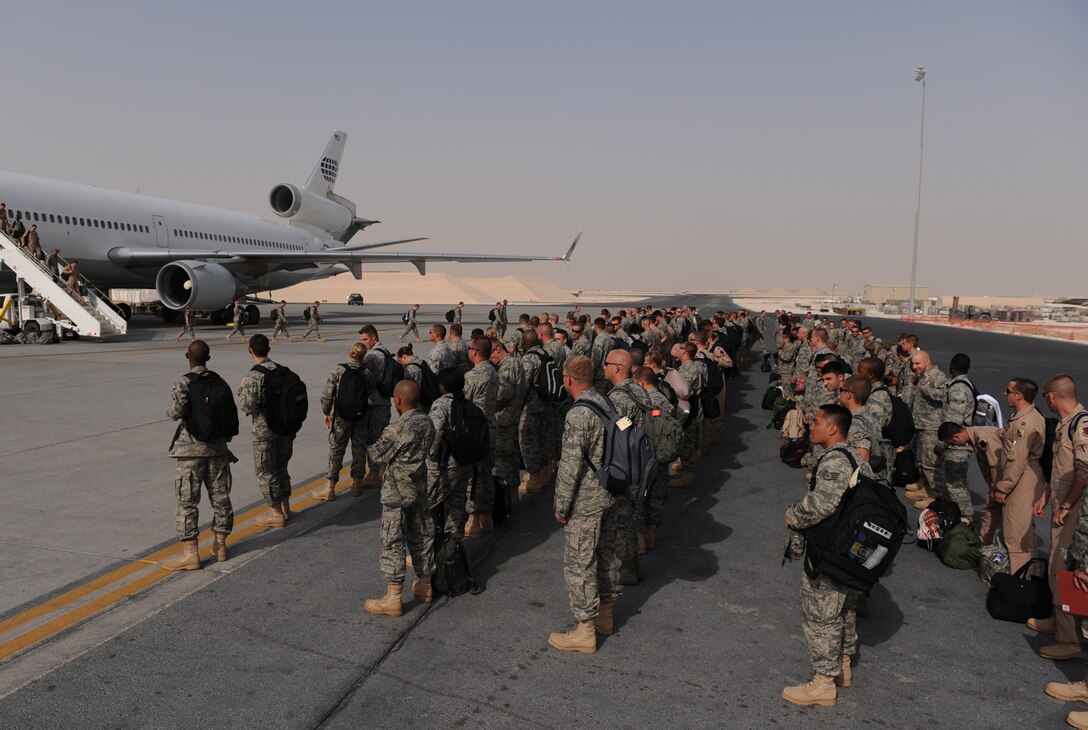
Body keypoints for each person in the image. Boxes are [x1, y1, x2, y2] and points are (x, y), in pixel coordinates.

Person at [783, 404, 873, 707]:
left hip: (831, 551)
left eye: (817, 422)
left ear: (833, 429)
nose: (811, 425)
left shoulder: (835, 461)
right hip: (850, 550)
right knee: (844, 608)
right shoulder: (855, 456)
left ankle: (823, 682)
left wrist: (793, 515)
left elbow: (821, 505)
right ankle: (842, 667)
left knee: (821, 615)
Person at [548, 356, 622, 654]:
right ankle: (606, 616)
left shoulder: (578, 414)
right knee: (605, 556)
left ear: (568, 379)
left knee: (580, 565)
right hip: (610, 492)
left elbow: (570, 466)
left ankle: (585, 630)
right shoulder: (607, 402)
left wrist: (561, 506)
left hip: (587, 501)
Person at [363, 380, 437, 617]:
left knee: (393, 542)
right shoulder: (427, 422)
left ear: (397, 400)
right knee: (422, 536)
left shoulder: (396, 430)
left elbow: (377, 455)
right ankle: (425, 585)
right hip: (419, 489)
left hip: (396, 494)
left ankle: (393, 597)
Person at [162, 340, 235, 571]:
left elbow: (175, 413)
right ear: (208, 359)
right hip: (217, 450)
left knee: (187, 503)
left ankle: (191, 553)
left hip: (190, 452)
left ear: (188, 357)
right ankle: (221, 545)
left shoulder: (184, 382)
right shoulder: (219, 381)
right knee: (220, 498)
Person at [1031, 375, 1088, 660]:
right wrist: (1046, 494)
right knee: (1056, 566)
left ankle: (1071, 640)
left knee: (1064, 570)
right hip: (1061, 507)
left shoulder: (1082, 425)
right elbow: (1062, 469)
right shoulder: (1067, 425)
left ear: (1052, 396)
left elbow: (1083, 472)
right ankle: (1058, 621)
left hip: (1073, 512)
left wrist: (1065, 505)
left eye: (1045, 397)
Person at [238, 335, 295, 529]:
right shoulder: (283, 371)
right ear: (269, 349)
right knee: (281, 467)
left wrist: (241, 390)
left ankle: (276, 513)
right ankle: (286, 507)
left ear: (250, 350)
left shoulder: (254, 376)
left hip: (265, 431)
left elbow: (248, 406)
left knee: (266, 472)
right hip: (285, 429)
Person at [991, 377, 1046, 574]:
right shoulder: (1024, 416)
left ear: (1019, 395)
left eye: (1008, 391)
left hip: (1022, 479)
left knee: (1016, 535)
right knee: (1025, 533)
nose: (1004, 394)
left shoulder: (1025, 423)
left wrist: (1002, 488)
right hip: (1027, 477)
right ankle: (1030, 576)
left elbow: (1017, 461)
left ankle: (1019, 582)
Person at [314, 342, 370, 501]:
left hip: (342, 417)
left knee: (336, 450)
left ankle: (330, 488)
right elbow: (369, 391)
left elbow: (327, 395)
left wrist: (327, 412)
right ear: (363, 356)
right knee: (359, 450)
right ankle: (356, 484)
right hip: (361, 416)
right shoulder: (367, 373)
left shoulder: (338, 370)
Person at [935, 353, 977, 522]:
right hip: (955, 442)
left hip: (956, 444)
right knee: (952, 482)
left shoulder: (959, 389)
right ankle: (954, 513)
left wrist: (942, 443)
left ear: (952, 366)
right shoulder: (964, 384)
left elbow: (953, 422)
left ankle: (966, 517)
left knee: (955, 483)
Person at [462, 336, 498, 537]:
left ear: (474, 351)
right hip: (490, 427)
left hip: (476, 430)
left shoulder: (472, 376)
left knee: (473, 476)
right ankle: (487, 516)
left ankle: (473, 519)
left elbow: (465, 401)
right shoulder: (493, 371)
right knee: (486, 473)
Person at [906, 350, 948, 508]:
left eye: (918, 363)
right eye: (913, 364)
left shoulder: (937, 376)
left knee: (931, 463)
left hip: (931, 426)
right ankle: (925, 487)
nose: (914, 366)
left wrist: (926, 389)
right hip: (920, 424)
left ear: (927, 362)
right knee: (920, 460)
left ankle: (935, 494)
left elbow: (944, 395)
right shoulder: (922, 377)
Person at [491, 337, 526, 508]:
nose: (490, 359)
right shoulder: (515, 362)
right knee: (511, 458)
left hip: (505, 418)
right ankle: (513, 495)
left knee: (503, 461)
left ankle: (506, 499)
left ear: (498, 349)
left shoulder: (508, 366)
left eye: (491, 354)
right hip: (512, 416)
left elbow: (503, 392)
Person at [358, 325, 393, 486]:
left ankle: (373, 473)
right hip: (384, 402)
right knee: (382, 437)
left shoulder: (372, 356)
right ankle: (382, 469)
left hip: (374, 403)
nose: (364, 343)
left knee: (372, 440)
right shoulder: (385, 351)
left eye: (365, 339)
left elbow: (366, 381)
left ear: (373, 337)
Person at [669, 342, 706, 489]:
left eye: (681, 348)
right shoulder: (693, 366)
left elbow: (683, 392)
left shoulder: (688, 369)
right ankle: (685, 468)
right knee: (687, 441)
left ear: (684, 352)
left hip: (688, 411)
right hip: (692, 409)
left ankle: (687, 475)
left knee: (688, 443)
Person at [519, 329, 551, 493]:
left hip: (531, 407)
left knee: (528, 442)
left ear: (524, 343)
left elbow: (524, 385)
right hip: (545, 404)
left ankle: (534, 478)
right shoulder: (544, 354)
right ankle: (544, 472)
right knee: (542, 439)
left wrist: (518, 403)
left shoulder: (529, 358)